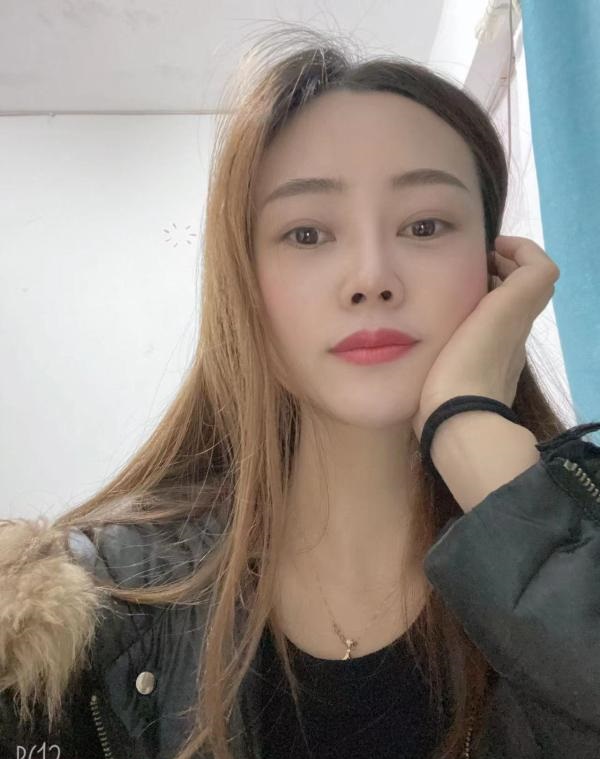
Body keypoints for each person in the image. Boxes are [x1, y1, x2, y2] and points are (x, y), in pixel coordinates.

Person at [1, 24, 600, 759]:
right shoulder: (75, 619)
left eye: (424, 225)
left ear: (495, 271)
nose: (372, 277)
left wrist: (471, 426)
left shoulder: (583, 547)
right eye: (308, 234)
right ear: (245, 287)